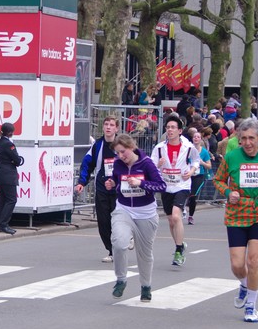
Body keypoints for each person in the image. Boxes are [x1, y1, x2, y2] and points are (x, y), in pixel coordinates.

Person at [213, 119, 258, 323]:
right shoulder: (231, 157)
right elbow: (218, 180)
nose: (247, 142)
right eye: (243, 138)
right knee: (237, 265)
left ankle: (251, 304)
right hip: (236, 214)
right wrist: (228, 193)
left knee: (253, 260)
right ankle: (244, 283)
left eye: (251, 138)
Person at [104, 134, 166, 302]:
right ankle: (121, 280)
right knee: (119, 243)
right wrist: (112, 184)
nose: (120, 156)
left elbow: (161, 186)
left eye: (123, 152)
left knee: (144, 254)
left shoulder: (146, 163)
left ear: (131, 147)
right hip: (123, 209)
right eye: (117, 153)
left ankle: (146, 286)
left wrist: (141, 184)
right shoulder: (118, 164)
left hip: (145, 213)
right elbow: (116, 181)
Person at [151, 115, 200, 266]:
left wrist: (191, 172)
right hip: (166, 186)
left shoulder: (188, 147)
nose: (170, 130)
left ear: (179, 131)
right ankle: (180, 244)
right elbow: (150, 166)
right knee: (171, 220)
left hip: (182, 185)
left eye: (173, 127)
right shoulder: (159, 148)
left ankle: (178, 251)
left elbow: (196, 160)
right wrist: (158, 165)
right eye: (168, 127)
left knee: (176, 216)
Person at [76, 116, 119, 262]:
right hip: (102, 188)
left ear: (116, 128)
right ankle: (111, 251)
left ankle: (126, 238)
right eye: (106, 124)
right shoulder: (97, 145)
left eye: (111, 125)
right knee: (103, 222)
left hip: (119, 190)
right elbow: (87, 164)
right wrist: (82, 182)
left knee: (118, 220)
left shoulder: (122, 145)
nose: (108, 127)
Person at [0, 122, 23, 235]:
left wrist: (13, 160)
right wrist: (14, 161)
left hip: (1, 173)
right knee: (11, 200)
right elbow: (17, 160)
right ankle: (3, 224)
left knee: (3, 200)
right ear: (10, 133)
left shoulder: (0, 141)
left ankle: (0, 224)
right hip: (8, 175)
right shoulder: (8, 144)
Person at [185, 127, 212, 225]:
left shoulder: (204, 152)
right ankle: (183, 209)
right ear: (192, 138)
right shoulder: (188, 150)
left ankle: (191, 216)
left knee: (193, 195)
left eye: (198, 137)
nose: (196, 138)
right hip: (188, 174)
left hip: (199, 175)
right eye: (194, 137)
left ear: (201, 139)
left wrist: (202, 163)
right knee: (185, 193)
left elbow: (209, 166)